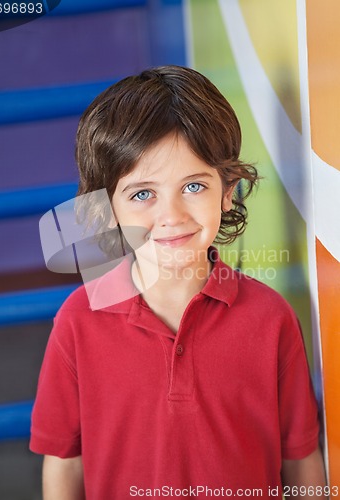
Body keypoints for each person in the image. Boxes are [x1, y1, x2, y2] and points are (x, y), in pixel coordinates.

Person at [30, 65, 326, 499]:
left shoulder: (272, 319)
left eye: (193, 186)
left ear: (227, 191)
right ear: (107, 208)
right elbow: (64, 463)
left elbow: (301, 461)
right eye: (142, 193)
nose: (171, 216)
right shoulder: (78, 321)